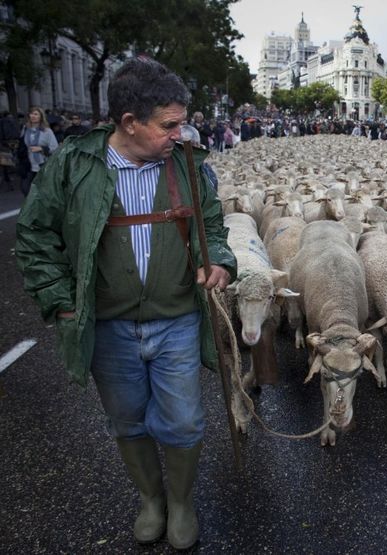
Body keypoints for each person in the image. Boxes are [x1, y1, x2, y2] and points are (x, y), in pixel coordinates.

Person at [15, 58, 237, 549]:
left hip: (176, 318)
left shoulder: (186, 164)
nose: (181, 134)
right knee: (128, 418)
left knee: (183, 419)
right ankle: (151, 499)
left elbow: (212, 227)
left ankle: (180, 503)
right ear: (130, 122)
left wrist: (217, 261)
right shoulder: (74, 166)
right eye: (169, 125)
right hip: (109, 326)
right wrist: (62, 303)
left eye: (182, 123)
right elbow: (33, 236)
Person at [20, 106, 59, 197]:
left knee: (44, 192)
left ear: (41, 117)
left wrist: (41, 148)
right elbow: (22, 146)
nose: (33, 116)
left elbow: (55, 147)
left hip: (43, 164)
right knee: (26, 190)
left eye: (36, 114)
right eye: (31, 114)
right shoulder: (26, 130)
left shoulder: (47, 131)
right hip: (29, 165)